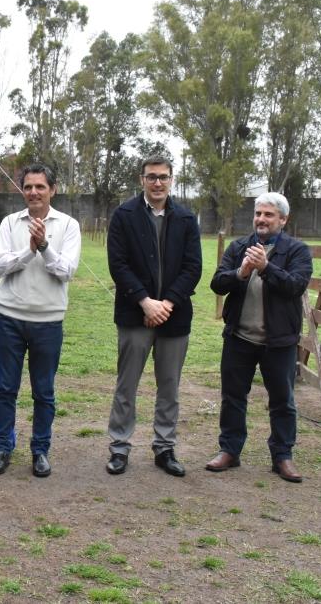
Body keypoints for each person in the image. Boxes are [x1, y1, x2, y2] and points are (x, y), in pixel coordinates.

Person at [105, 155, 201, 478]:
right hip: (135, 315)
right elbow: (118, 265)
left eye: (163, 177)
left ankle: (165, 447)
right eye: (151, 177)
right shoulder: (124, 215)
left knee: (169, 387)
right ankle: (119, 448)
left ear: (172, 180)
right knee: (126, 385)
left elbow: (193, 268)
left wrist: (166, 304)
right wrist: (145, 303)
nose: (157, 182)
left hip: (174, 318)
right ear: (141, 179)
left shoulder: (187, 219)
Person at [206, 193, 312, 483]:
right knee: (233, 397)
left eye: (268, 215)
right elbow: (217, 283)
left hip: (278, 341)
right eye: (258, 214)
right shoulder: (239, 246)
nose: (261, 220)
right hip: (239, 337)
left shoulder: (297, 251)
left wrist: (266, 267)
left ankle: (282, 456)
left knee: (282, 400)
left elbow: (295, 286)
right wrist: (240, 272)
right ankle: (229, 450)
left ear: (283, 219)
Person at [0, 164, 81, 478]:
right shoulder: (10, 223)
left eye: (40, 186)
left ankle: (40, 451)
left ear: (52, 190)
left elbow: (66, 270)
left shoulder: (68, 226)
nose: (33, 192)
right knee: (5, 389)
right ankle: (2, 447)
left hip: (48, 321)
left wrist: (43, 246)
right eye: (28, 187)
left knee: (44, 392)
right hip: (11, 317)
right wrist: (28, 253)